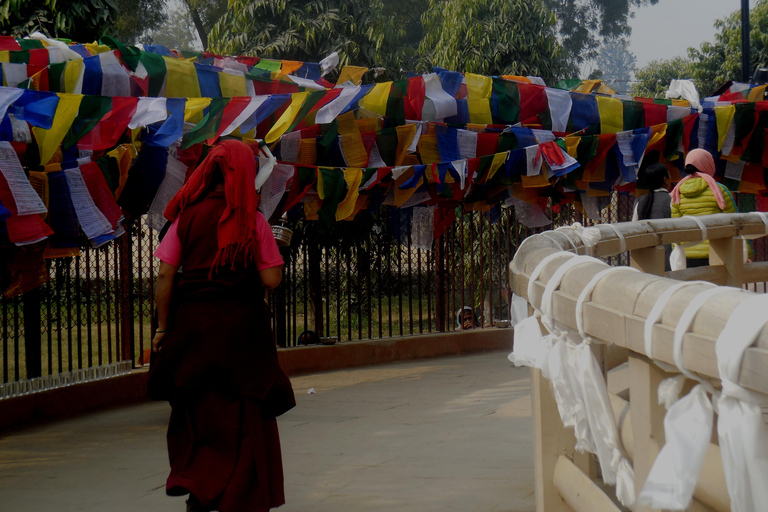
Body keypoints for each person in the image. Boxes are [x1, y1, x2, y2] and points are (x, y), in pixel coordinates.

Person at [148, 140, 295, 512]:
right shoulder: (253, 219)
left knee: (199, 410)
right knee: (244, 415)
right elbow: (271, 279)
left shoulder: (187, 215)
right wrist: (279, 251)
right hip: (243, 334)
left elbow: (165, 274)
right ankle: (238, 496)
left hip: (193, 330)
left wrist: (164, 328)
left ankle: (201, 487)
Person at [670, 148, 737, 268]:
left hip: (687, 254)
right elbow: (735, 223)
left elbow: (675, 226)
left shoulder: (677, 192)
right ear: (709, 164)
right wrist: (745, 253)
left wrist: (676, 251)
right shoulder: (719, 190)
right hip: (716, 252)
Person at [632, 163, 672, 270]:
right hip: (668, 259)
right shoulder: (672, 200)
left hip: (645, 260)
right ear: (666, 179)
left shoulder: (640, 202)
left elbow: (633, 228)